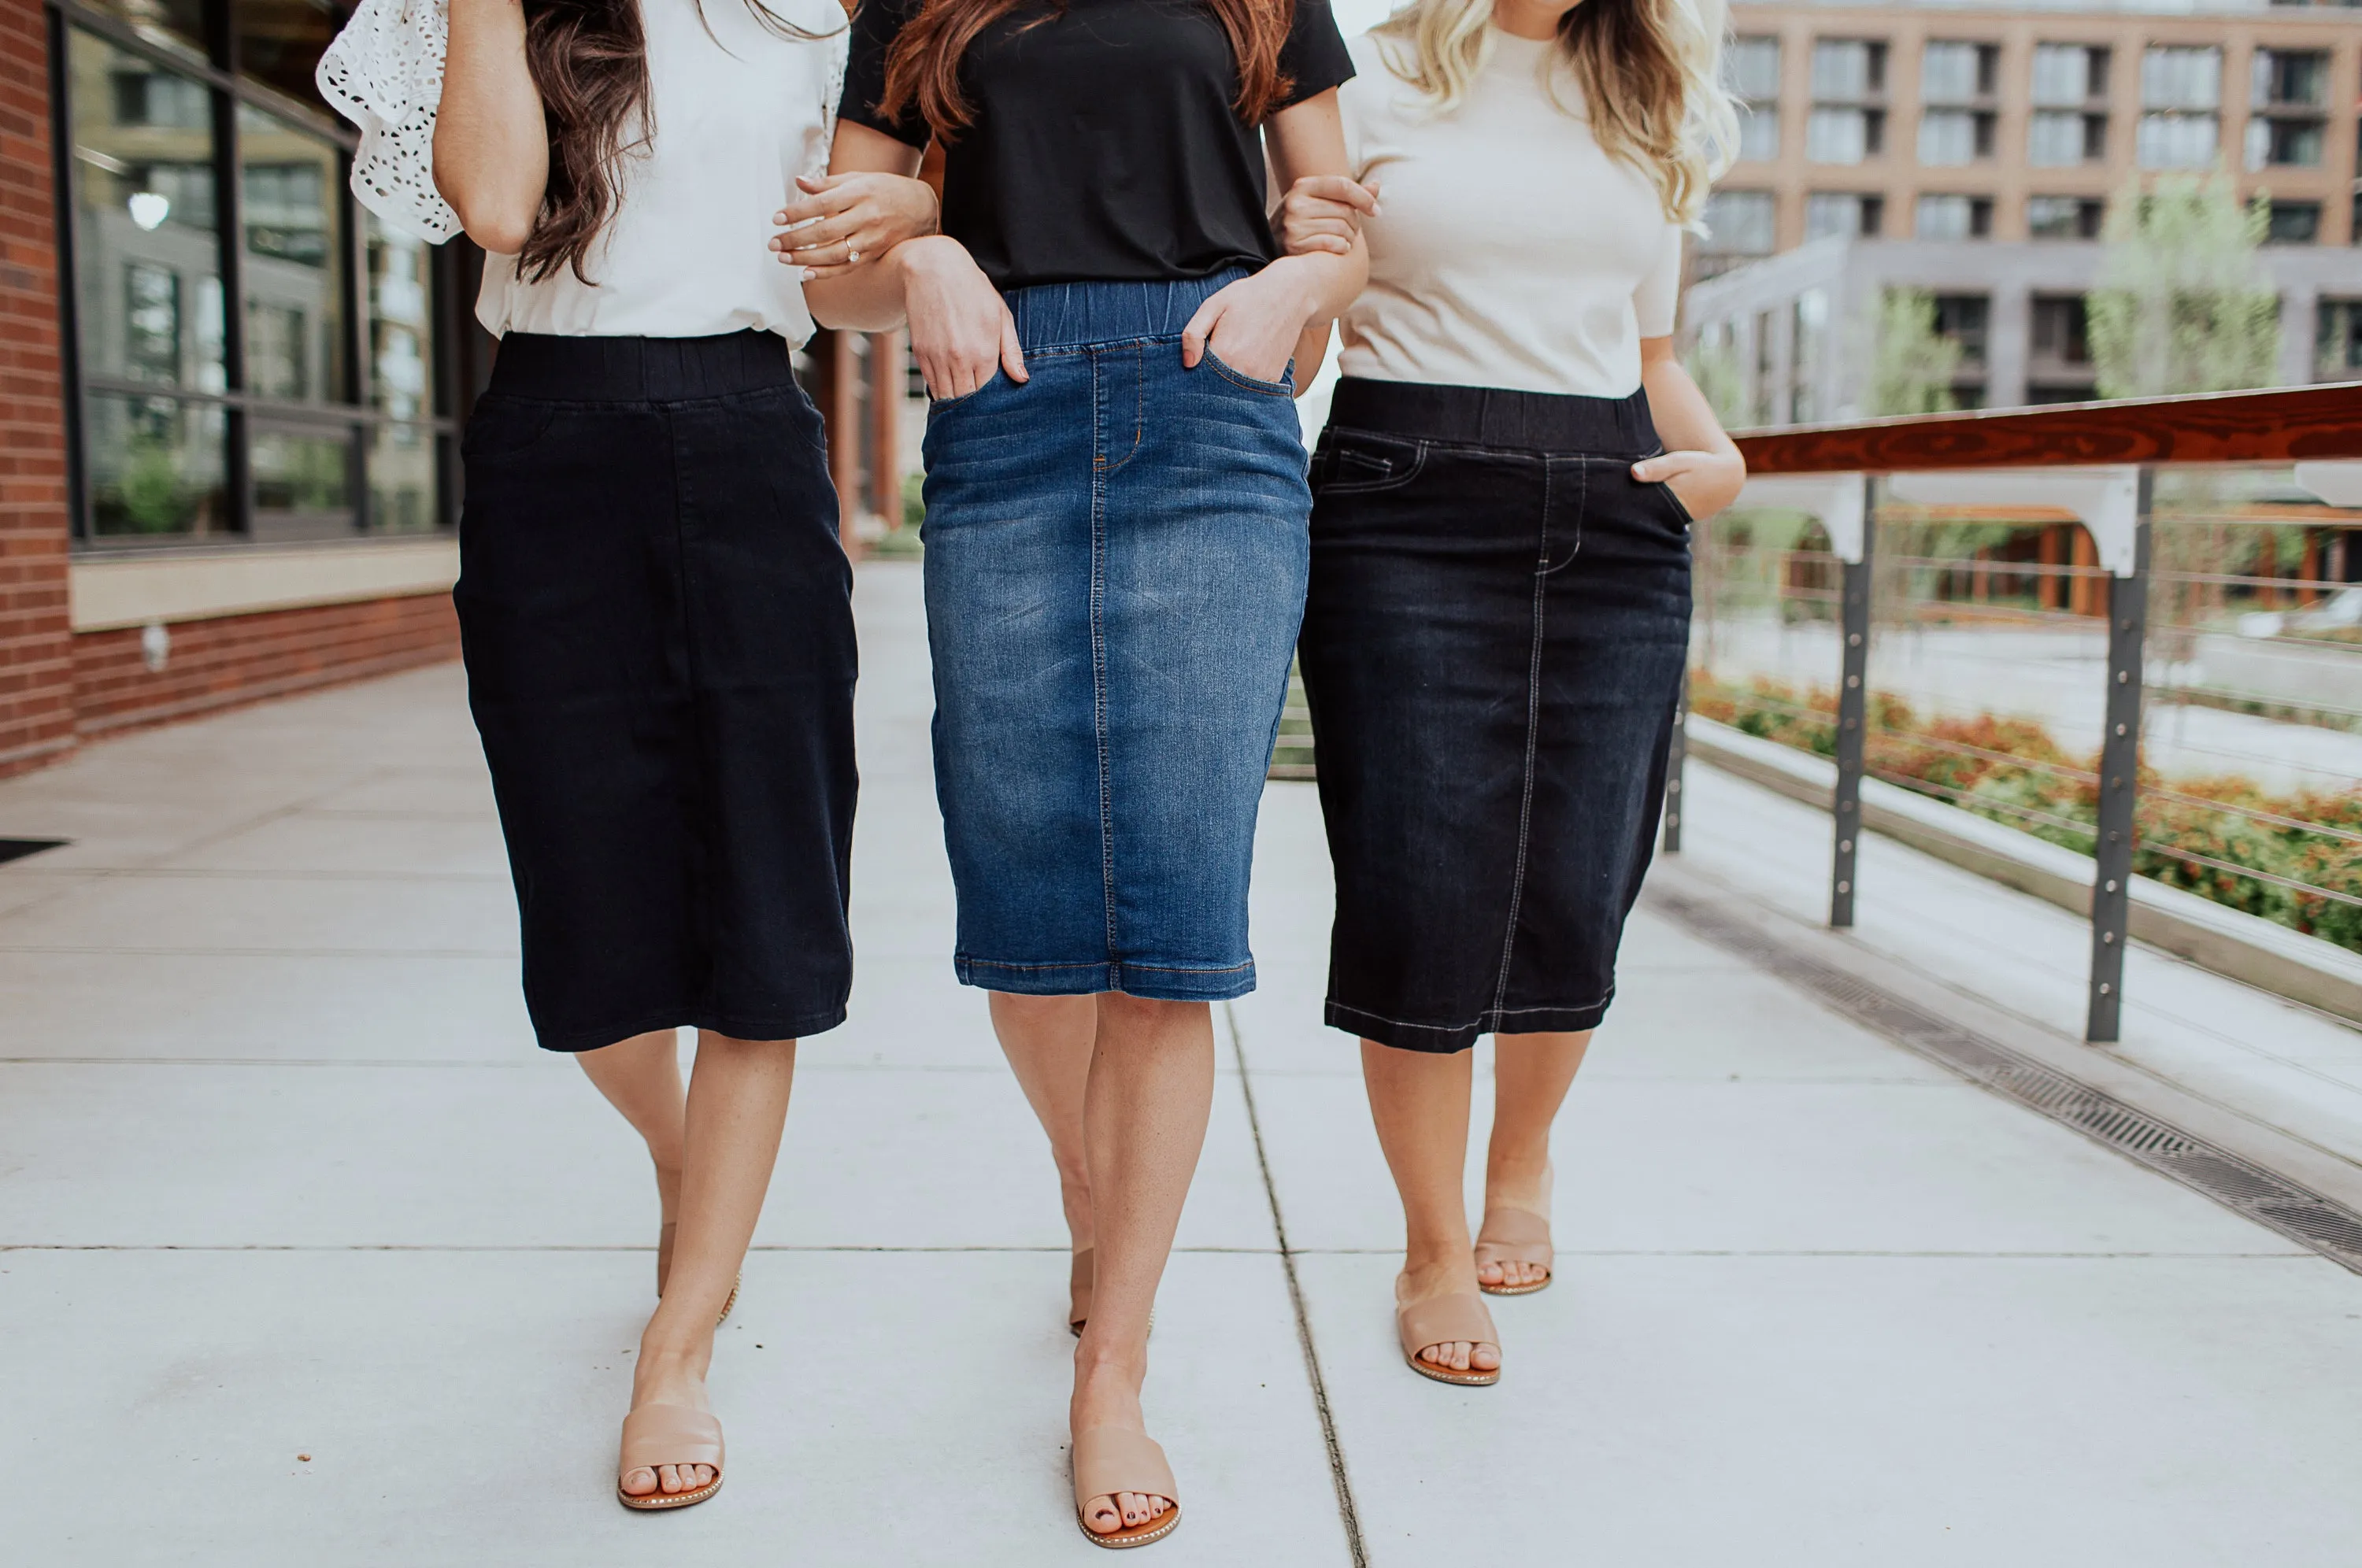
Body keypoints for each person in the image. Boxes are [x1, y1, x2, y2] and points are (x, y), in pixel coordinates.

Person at [317, 0, 938, 1511]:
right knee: (590, 933)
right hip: (550, 450)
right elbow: (497, 205)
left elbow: (847, 298)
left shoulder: (826, 21)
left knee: (767, 908)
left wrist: (917, 211)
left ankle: (677, 1343)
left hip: (744, 436)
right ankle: (688, 1170)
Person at [791, 0, 1366, 1544]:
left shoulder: (1263, 1)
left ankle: (1114, 1371)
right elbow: (831, 266)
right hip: (1004, 421)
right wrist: (923, 250)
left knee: (1171, 921)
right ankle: (1091, 1183)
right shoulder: (914, 9)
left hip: (1216, 424)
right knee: (1029, 903)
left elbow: (1348, 223)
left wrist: (1297, 288)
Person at [1274, 0, 1746, 1386]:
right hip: (1406, 489)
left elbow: (1653, 361)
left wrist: (1716, 465)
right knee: (1419, 883)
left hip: (1620, 505)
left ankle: (1521, 1163)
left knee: (1580, 872)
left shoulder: (1646, 96)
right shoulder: (1363, 77)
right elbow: (1312, 321)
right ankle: (1430, 1248)